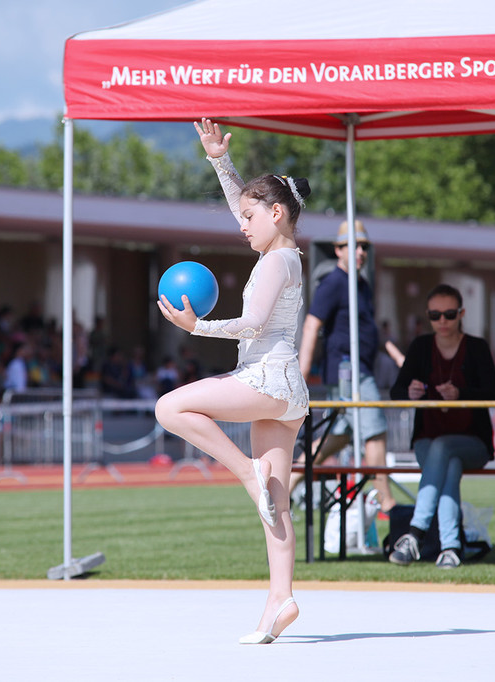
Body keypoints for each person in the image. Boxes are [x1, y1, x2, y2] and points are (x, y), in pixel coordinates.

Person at [155, 118, 310, 644]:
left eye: (248, 217)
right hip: (287, 392)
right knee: (276, 500)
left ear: (276, 213)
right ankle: (280, 600)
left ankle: (245, 472)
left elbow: (253, 324)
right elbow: (247, 203)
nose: (241, 225)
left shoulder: (274, 263)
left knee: (169, 408)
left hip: (266, 380)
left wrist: (196, 327)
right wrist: (219, 160)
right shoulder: (285, 254)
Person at [388, 284, 495, 569]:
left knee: (444, 447)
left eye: (449, 314)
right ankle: (450, 548)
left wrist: (461, 394)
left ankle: (415, 535)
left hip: (472, 441)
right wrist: (409, 392)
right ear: (428, 315)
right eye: (435, 315)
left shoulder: (476, 347)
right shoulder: (420, 347)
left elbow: (493, 394)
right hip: (427, 439)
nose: (442, 321)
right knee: (448, 466)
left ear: (461, 313)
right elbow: (396, 391)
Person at [292, 219, 397, 513]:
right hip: (349, 373)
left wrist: (399, 357)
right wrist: (300, 378)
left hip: (357, 370)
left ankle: (286, 485)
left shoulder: (361, 285)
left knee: (338, 437)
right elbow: (311, 326)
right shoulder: (334, 283)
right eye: (354, 246)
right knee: (374, 431)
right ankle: (386, 503)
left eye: (364, 246)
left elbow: (373, 332)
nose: (361, 251)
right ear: (338, 250)